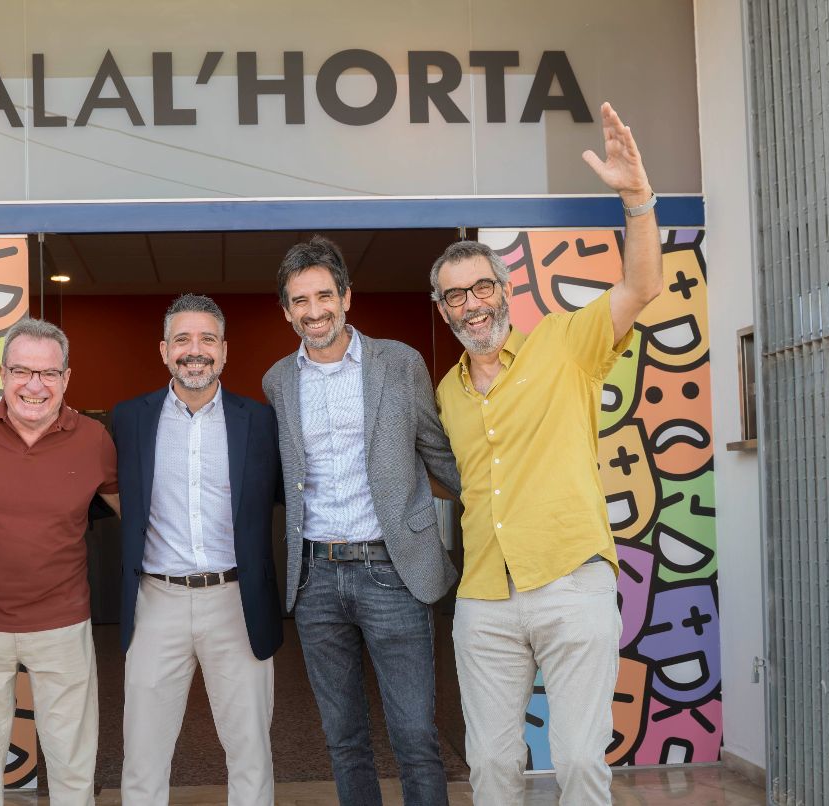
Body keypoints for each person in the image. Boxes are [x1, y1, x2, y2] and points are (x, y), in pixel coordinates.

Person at [431, 102, 662, 805]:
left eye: (480, 289)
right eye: (453, 298)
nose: (470, 306)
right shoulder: (446, 391)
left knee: (579, 761)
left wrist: (636, 197)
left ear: (504, 290)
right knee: (492, 767)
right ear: (443, 311)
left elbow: (643, 285)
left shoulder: (567, 344)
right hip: (485, 599)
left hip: (570, 583)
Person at [262, 237, 460, 806]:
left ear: (346, 297)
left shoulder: (398, 362)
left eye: (325, 294)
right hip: (317, 575)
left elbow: (437, 450)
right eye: (300, 300)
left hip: (392, 570)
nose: (314, 309)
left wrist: (502, 500)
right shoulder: (279, 380)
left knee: (416, 736)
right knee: (343, 740)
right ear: (287, 310)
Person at [0, 317, 120, 806]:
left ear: (66, 378)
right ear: (2, 373)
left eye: (49, 373)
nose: (35, 385)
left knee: (73, 767)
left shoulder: (94, 440)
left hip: (63, 624)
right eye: (22, 371)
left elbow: (135, 515)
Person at [112, 293, 283, 805]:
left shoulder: (261, 422)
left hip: (237, 600)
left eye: (207, 339)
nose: (195, 350)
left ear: (225, 351)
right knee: (142, 753)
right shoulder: (128, 419)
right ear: (164, 350)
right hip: (155, 601)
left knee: (251, 751)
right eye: (182, 339)